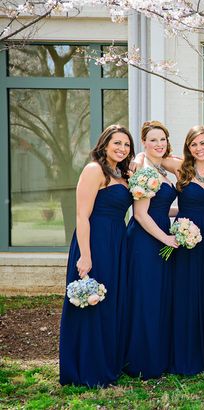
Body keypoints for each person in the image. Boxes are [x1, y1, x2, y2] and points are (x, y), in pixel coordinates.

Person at [59, 125, 134, 387]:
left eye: (126, 144)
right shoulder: (94, 170)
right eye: (117, 143)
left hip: (117, 243)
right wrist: (86, 255)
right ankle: (87, 368)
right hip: (94, 242)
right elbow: (82, 215)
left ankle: (108, 362)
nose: (122, 148)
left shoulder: (123, 174)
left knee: (111, 302)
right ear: (104, 145)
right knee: (92, 301)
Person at [124, 121, 178, 379]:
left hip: (158, 236)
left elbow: (160, 208)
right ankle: (142, 361)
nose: (159, 144)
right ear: (144, 143)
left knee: (158, 297)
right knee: (145, 298)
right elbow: (141, 215)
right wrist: (166, 238)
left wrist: (187, 219)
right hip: (146, 241)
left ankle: (157, 355)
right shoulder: (145, 173)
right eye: (153, 140)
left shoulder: (161, 169)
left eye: (163, 140)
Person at [169, 125, 204, 375]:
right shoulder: (182, 169)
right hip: (186, 241)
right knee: (187, 294)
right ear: (188, 148)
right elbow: (148, 157)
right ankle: (186, 355)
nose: (199, 148)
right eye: (193, 144)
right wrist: (136, 157)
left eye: (203, 143)